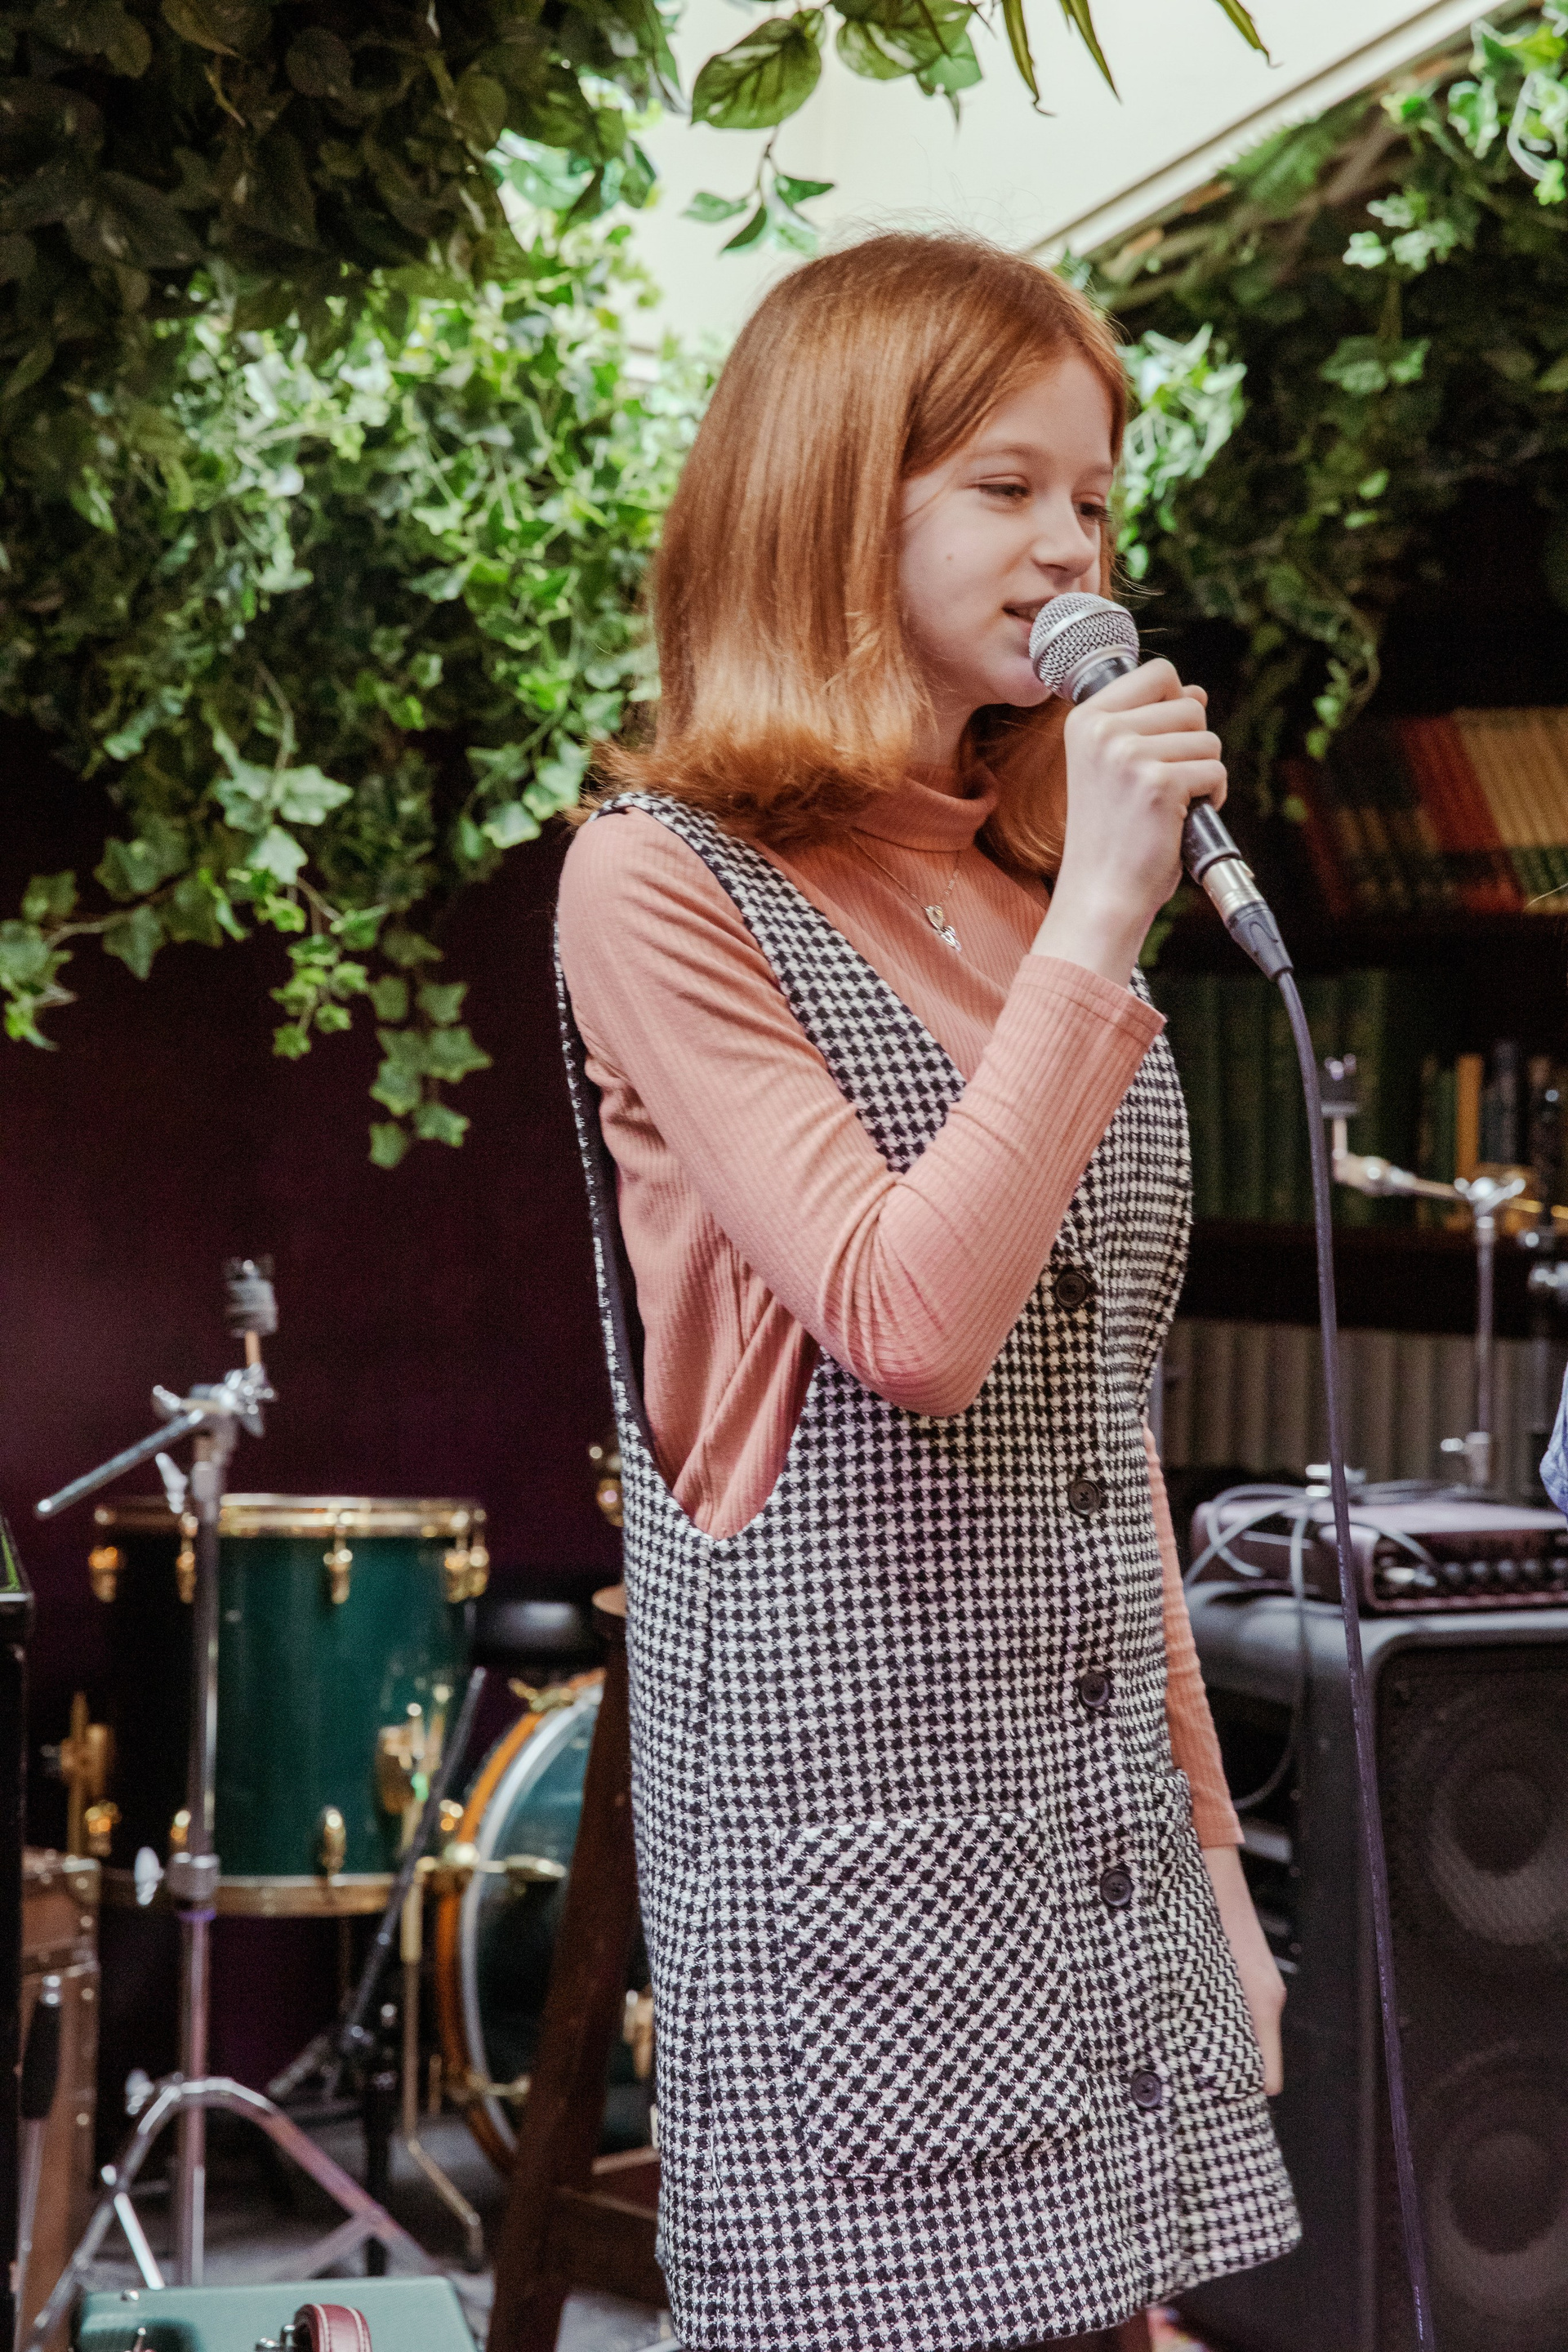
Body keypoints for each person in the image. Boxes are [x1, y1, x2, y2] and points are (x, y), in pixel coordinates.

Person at [555, 230, 1298, 2352]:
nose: (1073, 546)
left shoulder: (1025, 887)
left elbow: (1099, 1436)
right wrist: (1101, 923)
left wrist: (1218, 1875)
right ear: (830, 492)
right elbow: (910, 1325)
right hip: (868, 1881)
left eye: (1095, 500)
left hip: (1111, 1856)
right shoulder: (660, 880)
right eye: (1006, 486)